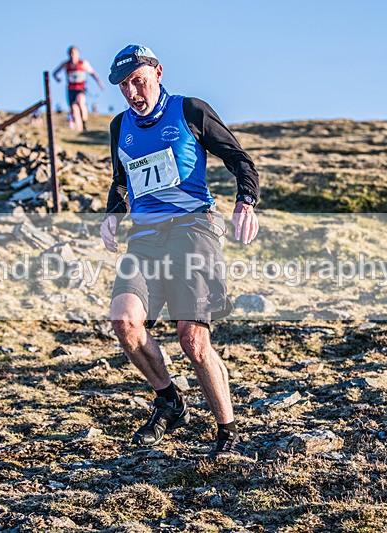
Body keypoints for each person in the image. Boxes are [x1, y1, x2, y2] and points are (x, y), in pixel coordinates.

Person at [100, 44, 260, 458]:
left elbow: (238, 158)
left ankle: (227, 431)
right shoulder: (121, 127)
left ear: (157, 72)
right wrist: (113, 214)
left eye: (138, 81)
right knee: (124, 321)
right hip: (145, 238)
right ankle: (169, 401)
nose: (133, 92)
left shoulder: (190, 110)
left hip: (193, 230)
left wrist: (246, 201)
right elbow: (122, 179)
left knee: (192, 340)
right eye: (124, 86)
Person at [53, 46, 105, 131]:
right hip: (71, 89)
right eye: (70, 53)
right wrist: (57, 78)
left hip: (81, 88)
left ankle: (84, 122)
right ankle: (80, 129)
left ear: (78, 54)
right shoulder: (66, 64)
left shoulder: (83, 63)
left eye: (74, 53)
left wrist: (99, 82)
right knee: (74, 108)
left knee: (80, 101)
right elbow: (54, 73)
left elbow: (92, 73)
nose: (72, 55)